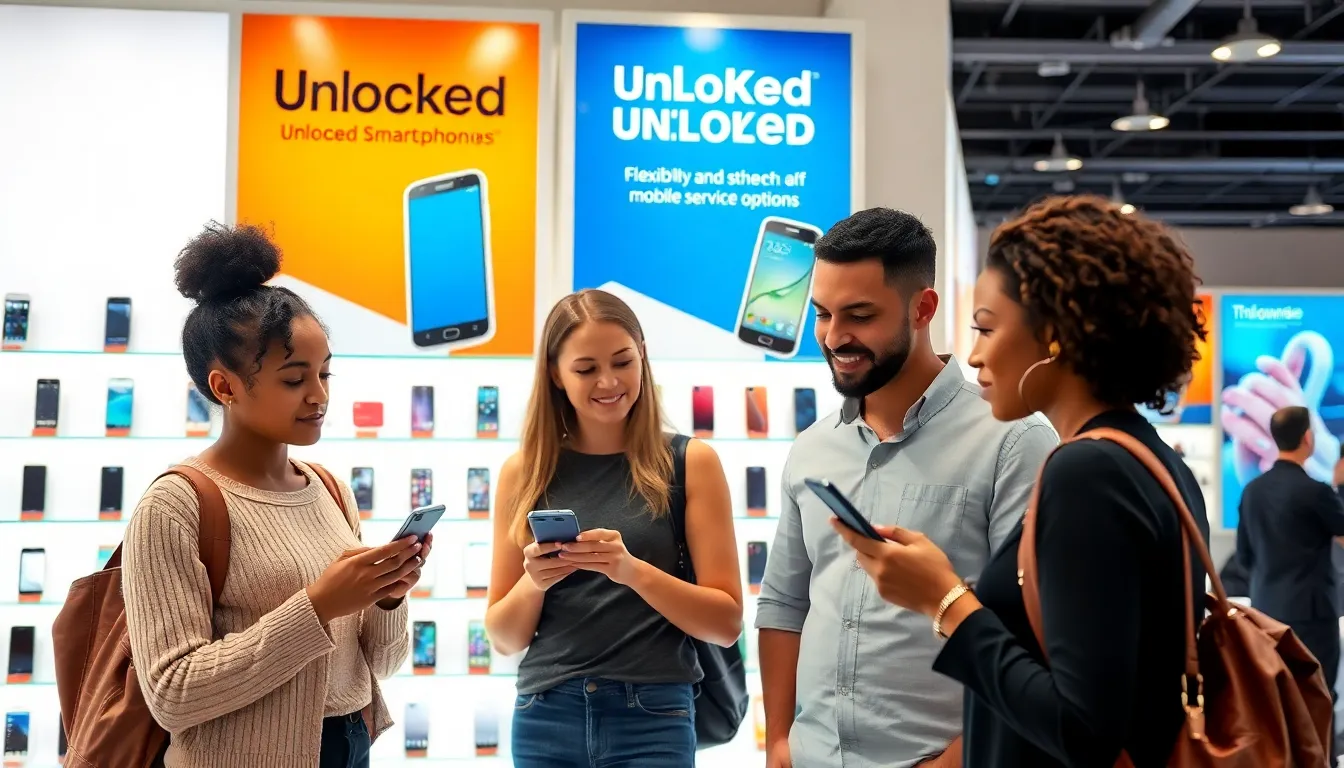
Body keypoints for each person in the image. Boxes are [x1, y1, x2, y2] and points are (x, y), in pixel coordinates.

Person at [828, 195, 1211, 767]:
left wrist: (945, 599)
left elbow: (1083, 730)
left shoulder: (1088, 473)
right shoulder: (1151, 459)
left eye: (986, 328)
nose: (976, 356)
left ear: (1054, 334)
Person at [755, 207, 1057, 768]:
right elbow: (784, 603)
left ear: (923, 308)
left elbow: (1033, 637)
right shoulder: (813, 447)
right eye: (823, 313)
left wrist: (959, 760)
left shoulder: (1013, 439)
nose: (834, 336)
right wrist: (779, 740)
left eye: (860, 316)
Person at [122, 223, 427, 768]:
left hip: (351, 748)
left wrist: (386, 596)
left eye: (325, 374)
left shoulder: (331, 490)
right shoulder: (175, 506)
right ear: (225, 387)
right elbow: (172, 693)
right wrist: (317, 607)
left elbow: (381, 663)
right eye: (294, 379)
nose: (319, 396)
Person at [484, 289, 743, 768]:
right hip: (544, 716)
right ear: (556, 376)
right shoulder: (523, 472)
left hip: (654, 717)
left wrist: (631, 571)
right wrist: (535, 582)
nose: (608, 381)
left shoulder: (691, 463)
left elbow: (726, 623)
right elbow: (503, 637)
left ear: (642, 357)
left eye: (623, 361)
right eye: (585, 369)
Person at [1235, 405, 1344, 758]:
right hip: (1313, 614)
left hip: (1266, 613)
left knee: (1274, 697)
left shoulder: (1251, 492)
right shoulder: (1315, 492)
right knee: (1319, 693)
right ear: (1308, 438)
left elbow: (1244, 555)